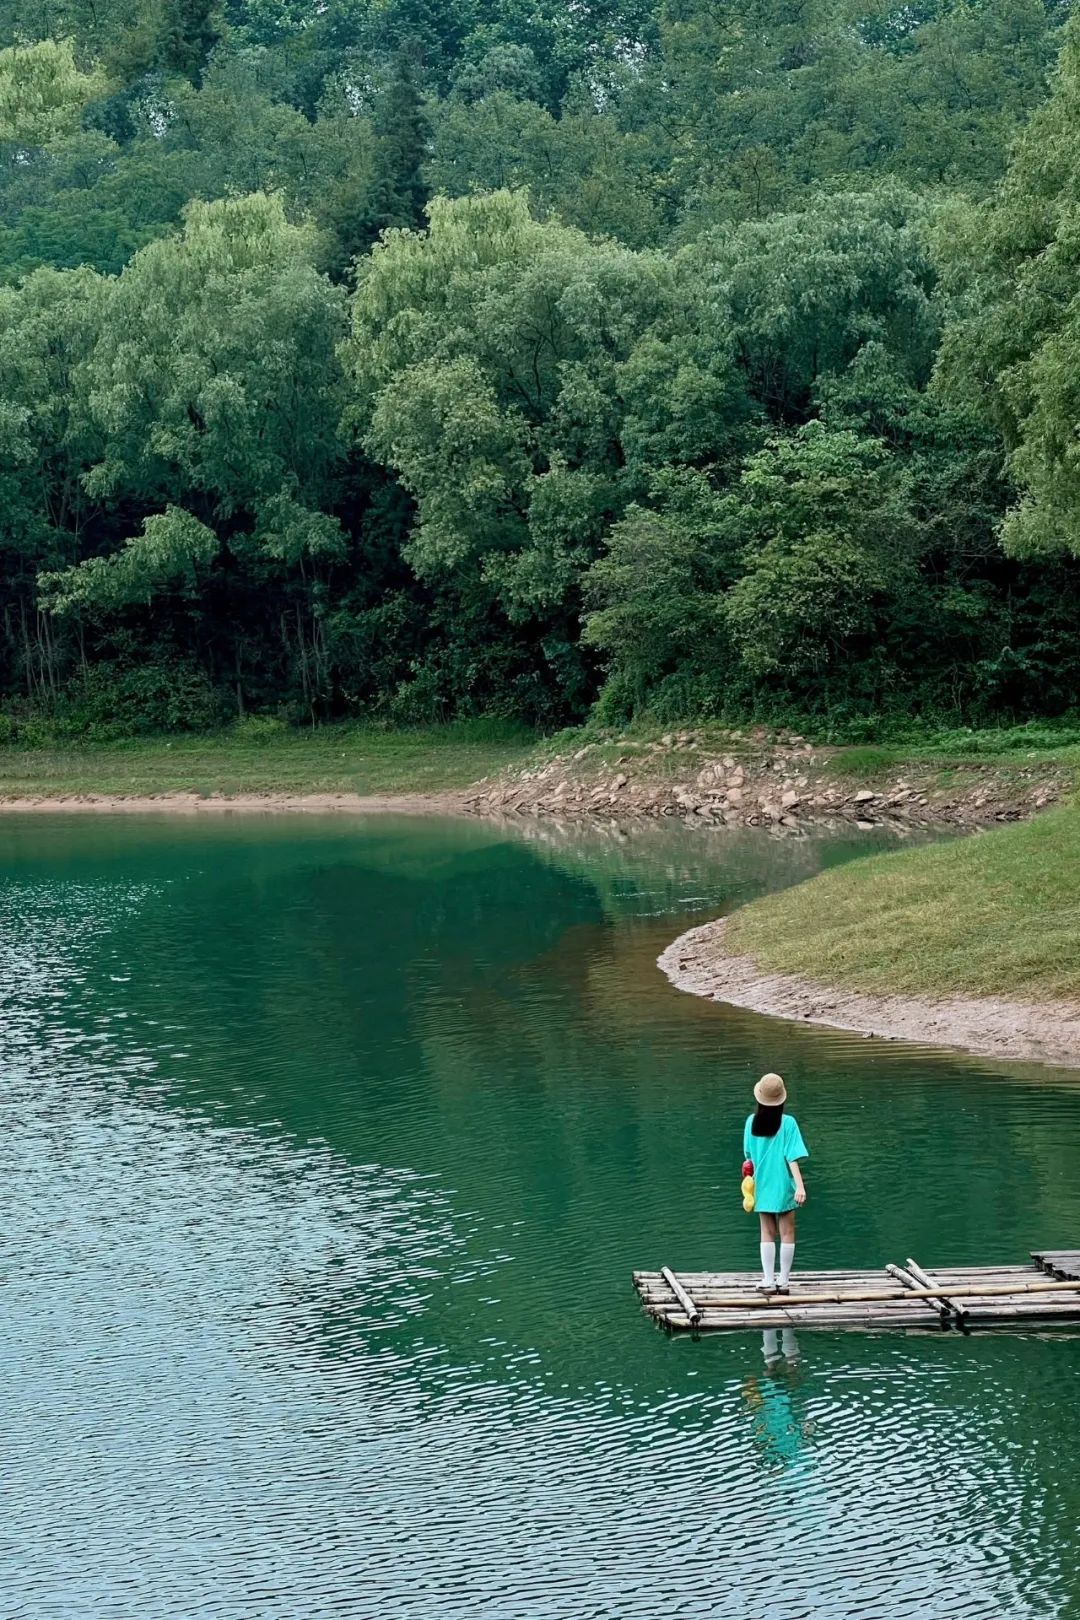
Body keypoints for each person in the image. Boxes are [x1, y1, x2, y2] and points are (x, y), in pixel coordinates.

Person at [743, 1072, 808, 1294]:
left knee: (766, 1232)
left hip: (761, 1185)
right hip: (783, 1186)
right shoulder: (788, 1123)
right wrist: (800, 1186)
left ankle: (768, 1281)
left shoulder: (751, 1123)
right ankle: (784, 1281)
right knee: (787, 1231)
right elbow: (792, 1157)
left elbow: (748, 1157)